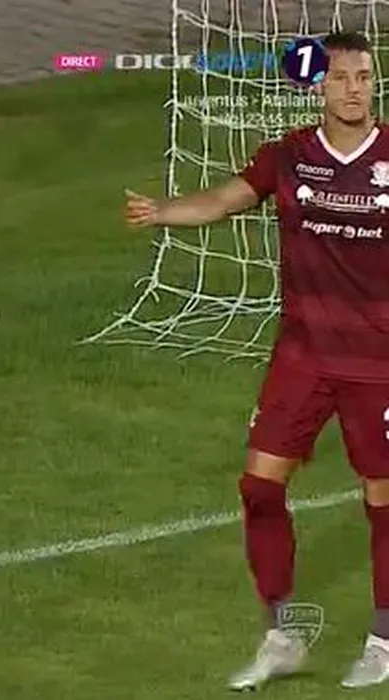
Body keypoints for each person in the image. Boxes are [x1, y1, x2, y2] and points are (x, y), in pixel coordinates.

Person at [124, 30, 389, 690]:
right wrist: (162, 212)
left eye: (364, 77)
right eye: (341, 78)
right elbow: (224, 200)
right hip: (302, 357)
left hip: (377, 364)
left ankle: (383, 640)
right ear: (318, 86)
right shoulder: (289, 155)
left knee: (382, 500)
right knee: (259, 487)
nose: (354, 90)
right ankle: (282, 634)